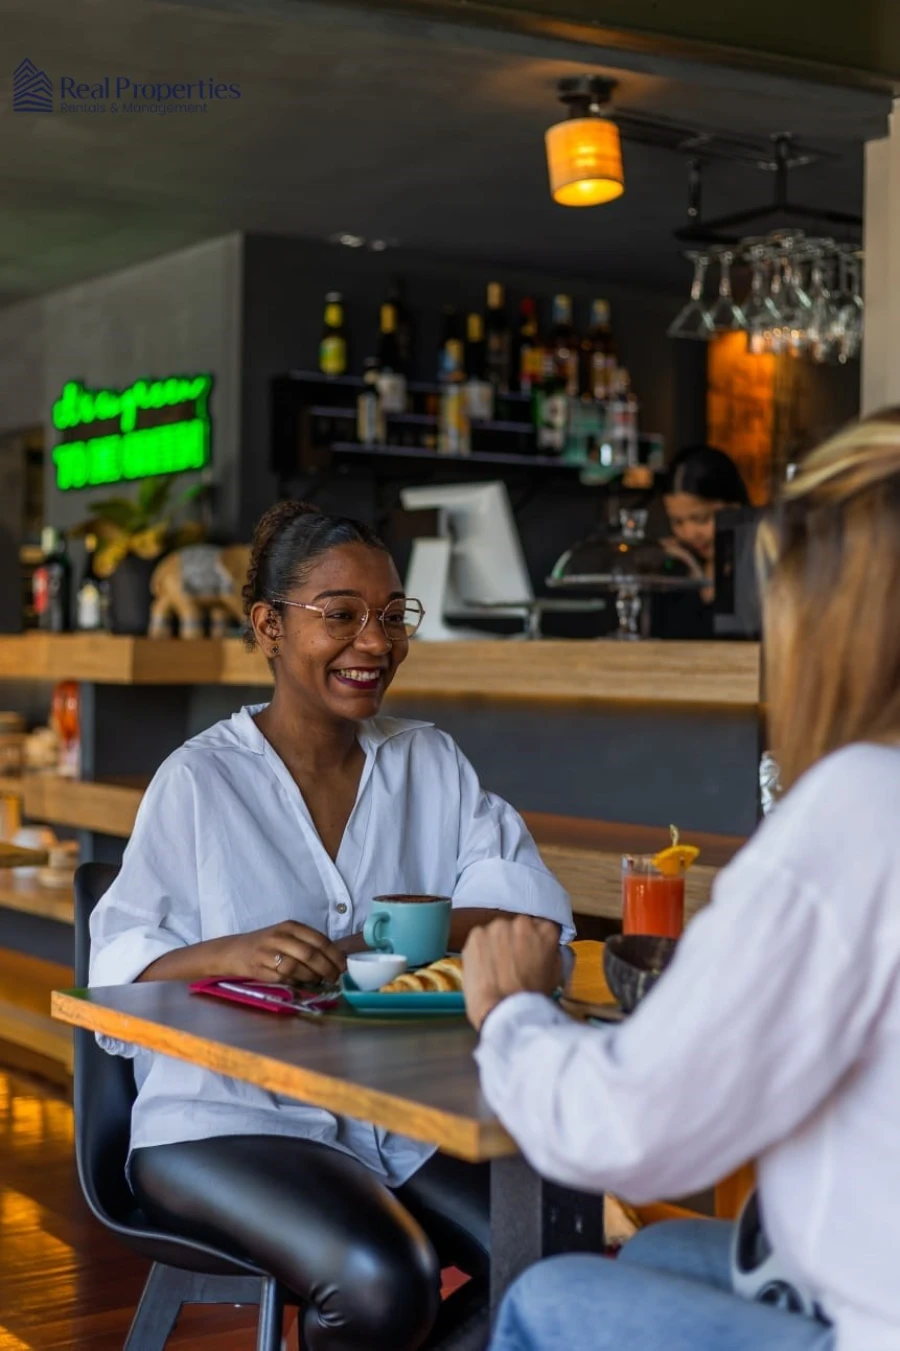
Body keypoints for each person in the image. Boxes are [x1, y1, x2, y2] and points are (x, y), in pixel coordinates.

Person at [89, 500, 574, 1351]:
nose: (377, 643)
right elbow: (115, 968)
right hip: (222, 1118)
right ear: (269, 626)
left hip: (401, 1114)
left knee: (553, 1252)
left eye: (392, 616)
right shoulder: (199, 781)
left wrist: (377, 942)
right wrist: (229, 952)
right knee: (383, 1279)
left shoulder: (431, 762)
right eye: (341, 615)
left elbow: (526, 913)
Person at [463, 411, 900, 1351]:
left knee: (548, 1299)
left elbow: (632, 1130)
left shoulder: (861, 804)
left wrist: (507, 1011)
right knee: (659, 1259)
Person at [653, 444, 750, 639]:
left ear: (735, 506)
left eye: (702, 519)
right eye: (677, 521)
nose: (689, 533)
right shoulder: (675, 572)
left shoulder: (759, 568)